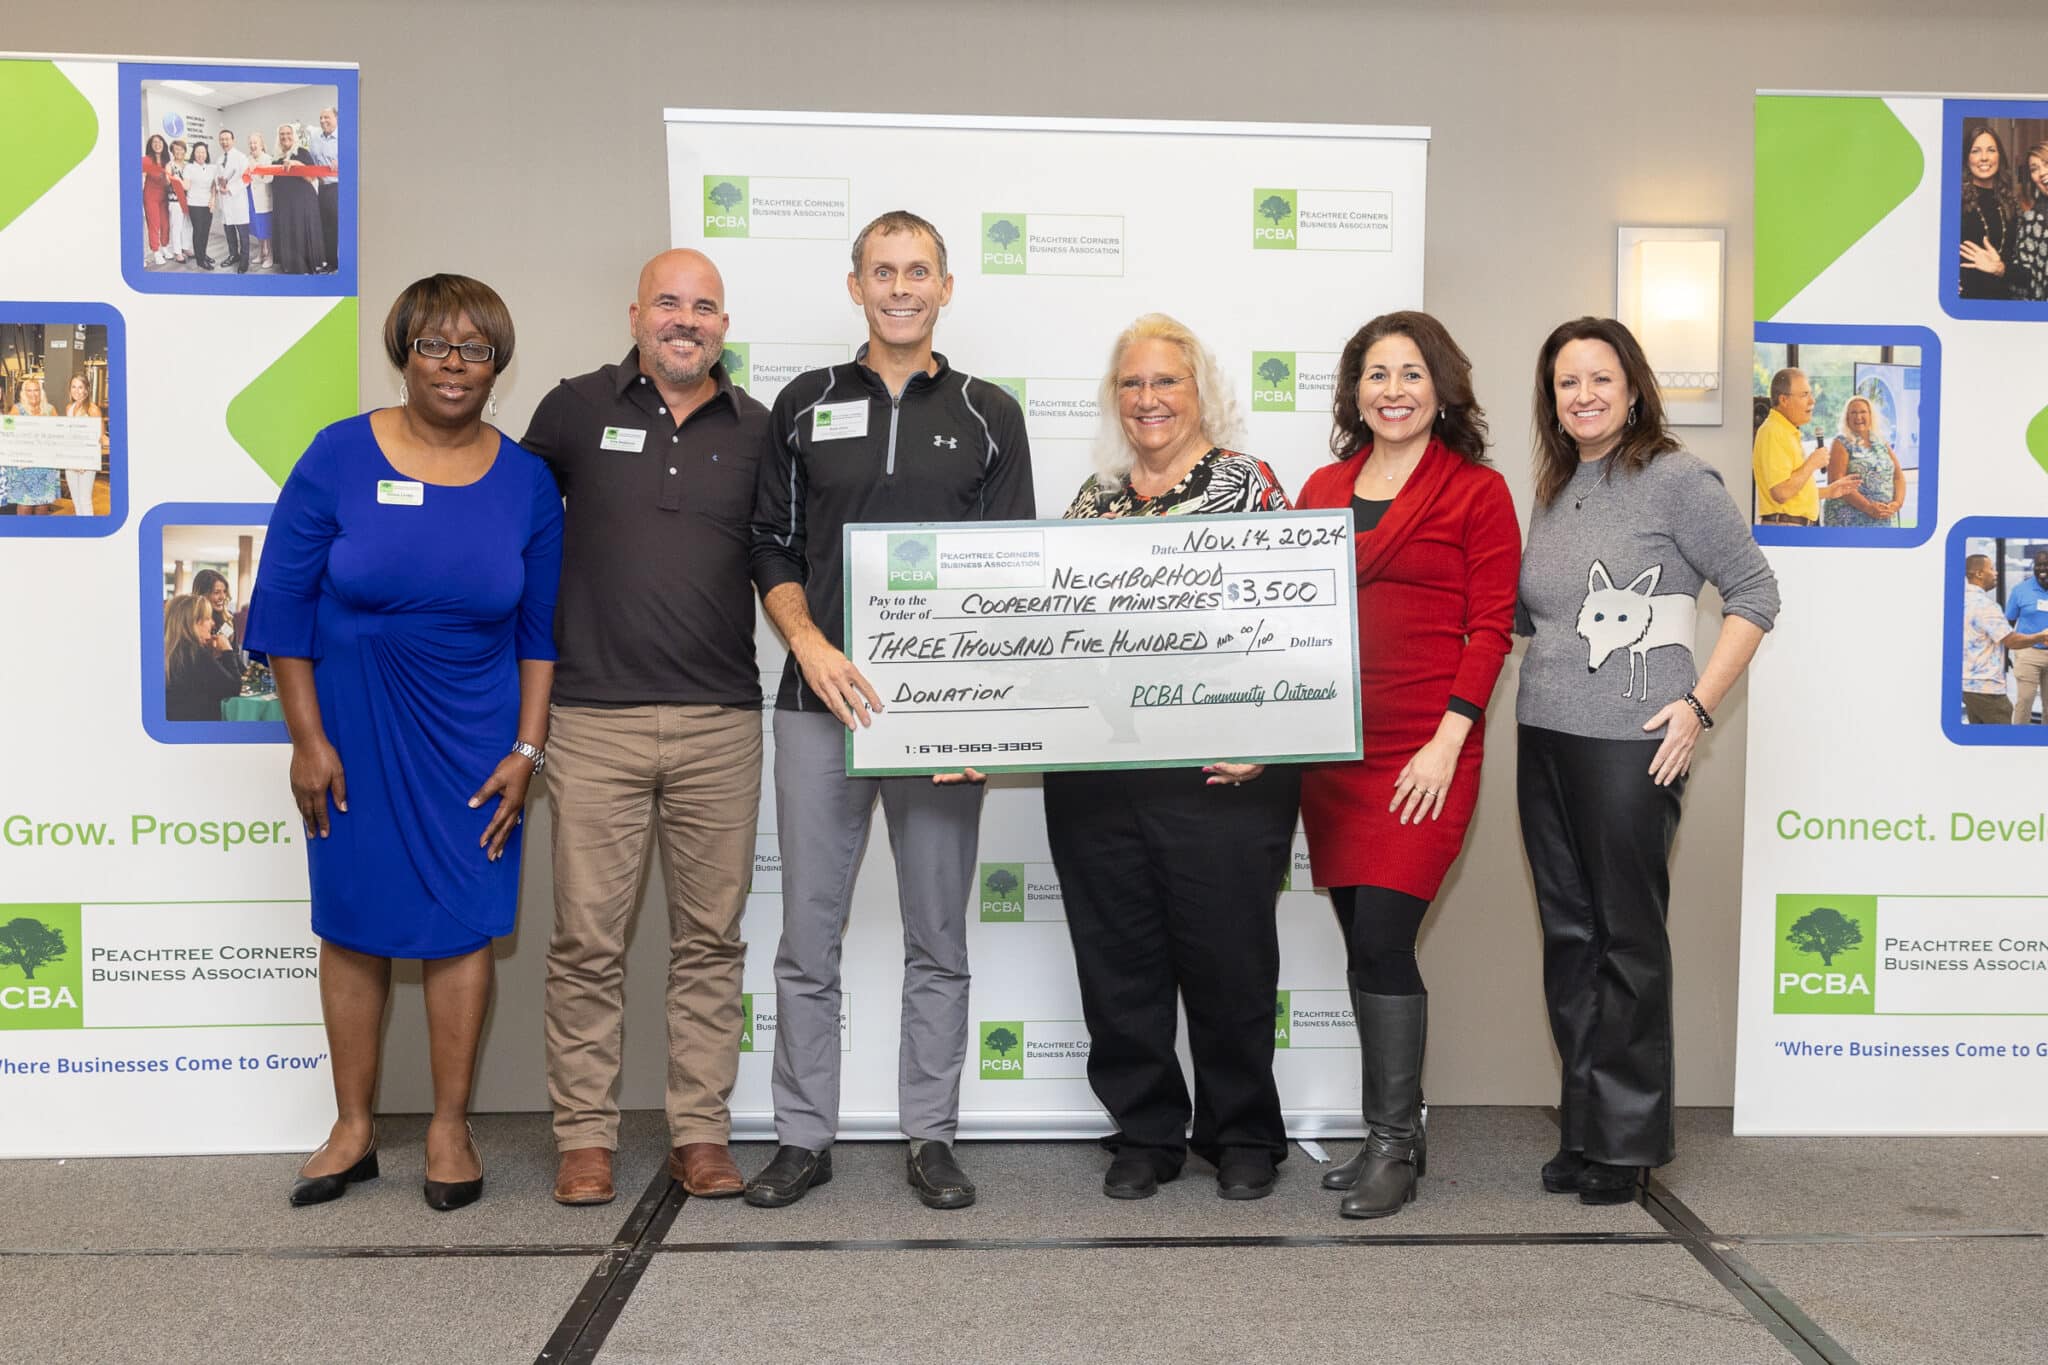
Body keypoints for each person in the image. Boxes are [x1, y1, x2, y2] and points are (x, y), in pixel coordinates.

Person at [245, 276, 562, 1211]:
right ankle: (352, 1127)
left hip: (474, 735)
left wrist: (528, 750)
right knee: (351, 922)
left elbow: (540, 631)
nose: (454, 365)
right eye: (435, 345)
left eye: (474, 348)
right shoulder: (339, 455)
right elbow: (281, 606)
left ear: (497, 363)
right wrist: (307, 738)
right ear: (403, 353)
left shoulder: (527, 480)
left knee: (462, 926)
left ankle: (449, 1126)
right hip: (351, 729)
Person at [745, 210, 1033, 1211]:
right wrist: (811, 646)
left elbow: (1007, 577)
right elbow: (770, 546)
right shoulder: (802, 402)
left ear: (945, 287)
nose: (899, 287)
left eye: (918, 272)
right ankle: (801, 1137)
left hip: (940, 719)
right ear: (854, 284)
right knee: (805, 938)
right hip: (816, 704)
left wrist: (981, 724)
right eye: (882, 271)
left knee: (937, 938)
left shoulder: (990, 410)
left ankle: (929, 1137)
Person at [519, 249, 769, 1207]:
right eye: (669, 301)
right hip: (591, 720)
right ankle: (584, 1134)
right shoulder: (573, 409)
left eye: (704, 306)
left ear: (723, 325)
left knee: (711, 939)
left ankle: (699, 1130)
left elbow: (783, 556)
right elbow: (520, 537)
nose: (686, 319)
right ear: (635, 313)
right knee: (587, 940)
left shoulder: (758, 427)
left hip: (721, 722)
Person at [1518, 317, 1781, 1203]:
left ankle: (1628, 1140)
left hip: (1634, 744)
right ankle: (1586, 1123)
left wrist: (1700, 705)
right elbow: (1536, 620)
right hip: (1545, 737)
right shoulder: (1555, 487)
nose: (1583, 395)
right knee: (1570, 936)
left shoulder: (1675, 480)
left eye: (1599, 378)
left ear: (1633, 387)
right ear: (1550, 400)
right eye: (1566, 383)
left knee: (1625, 937)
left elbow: (1755, 592)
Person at [1043, 314, 1298, 1202]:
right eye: (1133, 384)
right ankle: (1145, 1130)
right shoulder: (1092, 499)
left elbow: (1296, 629)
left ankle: (1242, 1134)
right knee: (1118, 960)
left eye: (1167, 382)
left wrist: (1268, 736)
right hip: (1099, 776)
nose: (1148, 400)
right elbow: (1049, 637)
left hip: (1218, 778)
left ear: (1201, 392)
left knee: (1229, 958)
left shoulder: (1250, 487)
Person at [1294, 311, 1520, 1218]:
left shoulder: (1477, 491)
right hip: (1334, 755)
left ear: (1442, 388)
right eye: (1376, 374)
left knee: (1386, 937)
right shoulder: (1319, 487)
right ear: (1356, 392)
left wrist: (1448, 738)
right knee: (1362, 941)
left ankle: (1393, 1141)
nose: (1394, 389)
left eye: (1411, 373)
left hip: (1427, 753)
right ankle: (1393, 1130)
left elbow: (1491, 626)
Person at [1751, 368, 1856, 526]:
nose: (1812, 401)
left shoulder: (1786, 431)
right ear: (1784, 400)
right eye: (1804, 395)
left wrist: (1829, 491)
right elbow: (1781, 492)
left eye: (1810, 394)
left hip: (1794, 527)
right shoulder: (1774, 431)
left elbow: (1793, 493)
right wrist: (1812, 463)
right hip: (1786, 528)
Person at [1960, 123, 2023, 300]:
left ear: (2000, 156)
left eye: (1991, 150)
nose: (1984, 158)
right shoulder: (1954, 201)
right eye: (1976, 151)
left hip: (2003, 301)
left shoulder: (2011, 203)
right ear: (1966, 158)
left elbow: (2025, 272)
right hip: (1964, 303)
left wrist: (2000, 268)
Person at [1821, 396, 1904, 528]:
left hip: (1883, 518)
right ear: (1847, 418)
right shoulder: (1841, 442)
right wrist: (1868, 507)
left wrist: (1897, 504)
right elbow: (1836, 481)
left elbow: (1898, 477)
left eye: (1863, 412)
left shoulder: (1881, 442)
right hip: (1848, 521)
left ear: (1871, 416)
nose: (1858, 417)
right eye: (1853, 413)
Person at [162, 594, 243, 721]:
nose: (213, 623)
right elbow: (233, 688)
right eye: (208, 618)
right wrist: (227, 650)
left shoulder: (173, 651)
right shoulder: (195, 653)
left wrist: (214, 656)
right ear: (194, 622)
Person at [1, 377, 62, 516]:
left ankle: (40, 535)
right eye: (29, 390)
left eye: (36, 390)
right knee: (25, 506)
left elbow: (59, 434)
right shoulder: (16, 409)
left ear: (41, 392)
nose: (33, 394)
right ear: (24, 393)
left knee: (43, 506)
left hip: (45, 467)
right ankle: (22, 536)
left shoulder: (50, 410)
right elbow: (7, 432)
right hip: (24, 468)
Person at [268, 123, 324, 275]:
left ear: (294, 135)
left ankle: (305, 267)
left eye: (288, 133)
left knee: (300, 232)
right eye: (282, 134)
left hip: (303, 202)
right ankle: (290, 265)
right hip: (284, 203)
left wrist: (296, 164)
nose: (285, 137)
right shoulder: (276, 159)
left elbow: (312, 177)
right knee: (288, 232)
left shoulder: (302, 152)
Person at [2006, 551, 2048, 724]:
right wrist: (2005, 653)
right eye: (2039, 565)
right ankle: (2017, 741)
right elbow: (2008, 623)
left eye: (2046, 564)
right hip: (2028, 653)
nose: (2042, 568)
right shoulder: (2020, 590)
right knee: (2025, 701)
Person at [62, 372, 102, 517]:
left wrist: (85, 462)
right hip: (71, 460)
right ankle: (81, 529)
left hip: (86, 462)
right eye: (73, 387)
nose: (77, 391)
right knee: (76, 501)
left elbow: (99, 437)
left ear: (86, 389)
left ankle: (89, 531)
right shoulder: (69, 408)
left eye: (80, 387)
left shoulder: (92, 409)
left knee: (85, 501)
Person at [216, 128, 251, 274]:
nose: (224, 142)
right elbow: (217, 179)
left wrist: (230, 189)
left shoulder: (241, 157)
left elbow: (246, 178)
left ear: (233, 140)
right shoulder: (219, 160)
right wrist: (220, 187)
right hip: (225, 202)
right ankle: (233, 255)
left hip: (238, 201)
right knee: (229, 233)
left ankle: (244, 260)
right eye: (222, 139)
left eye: (227, 139)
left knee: (243, 235)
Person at [182, 139, 219, 271]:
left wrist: (213, 199)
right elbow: (186, 185)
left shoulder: (212, 167)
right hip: (194, 203)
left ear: (206, 153)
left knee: (205, 231)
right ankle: (200, 260)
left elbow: (214, 185)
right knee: (198, 231)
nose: (200, 154)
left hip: (208, 203)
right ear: (194, 153)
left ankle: (202, 254)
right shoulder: (189, 167)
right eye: (198, 152)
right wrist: (176, 180)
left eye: (203, 152)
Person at [313, 106, 340, 273]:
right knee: (325, 229)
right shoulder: (316, 139)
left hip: (338, 188)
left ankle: (342, 265)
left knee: (338, 228)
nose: (323, 121)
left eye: (326, 117)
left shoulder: (345, 138)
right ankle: (330, 263)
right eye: (321, 118)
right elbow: (311, 161)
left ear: (336, 118)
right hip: (321, 190)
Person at [244, 130, 274, 270]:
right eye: (250, 143)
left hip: (264, 199)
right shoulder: (247, 159)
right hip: (251, 198)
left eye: (255, 142)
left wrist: (257, 171)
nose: (252, 145)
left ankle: (270, 256)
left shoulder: (267, 158)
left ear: (261, 144)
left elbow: (269, 178)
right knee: (258, 228)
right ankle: (261, 252)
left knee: (266, 229)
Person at [142, 133, 171, 265]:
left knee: (165, 224)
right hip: (150, 197)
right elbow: (142, 178)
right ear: (151, 145)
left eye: (160, 142)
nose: (157, 144)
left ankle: (165, 247)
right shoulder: (146, 159)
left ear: (163, 144)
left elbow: (169, 181)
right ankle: (156, 251)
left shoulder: (167, 161)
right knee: (154, 225)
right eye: (154, 142)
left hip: (164, 197)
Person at [165, 139, 192, 263]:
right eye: (176, 149)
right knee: (177, 226)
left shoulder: (188, 165)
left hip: (189, 200)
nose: (179, 151)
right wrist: (168, 178)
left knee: (187, 225)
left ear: (185, 151)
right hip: (175, 201)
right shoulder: (169, 165)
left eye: (181, 149)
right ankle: (177, 251)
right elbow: (167, 182)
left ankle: (185, 247)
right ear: (172, 151)